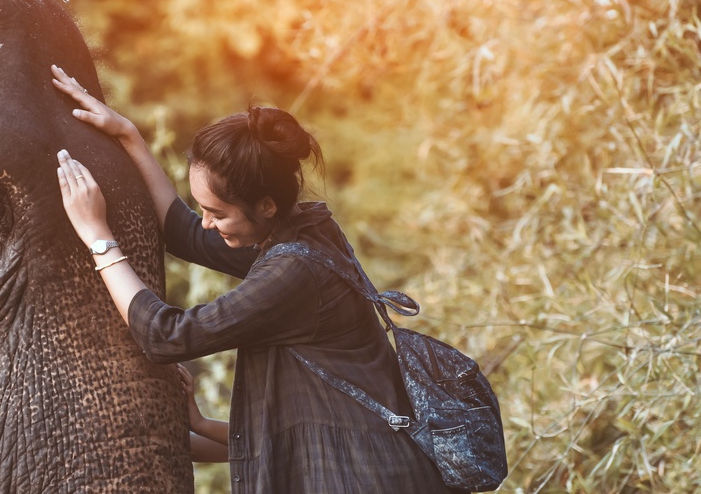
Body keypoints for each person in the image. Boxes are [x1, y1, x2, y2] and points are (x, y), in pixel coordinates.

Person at [50, 64, 461, 493]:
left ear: (265, 205)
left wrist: (97, 237)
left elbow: (168, 336)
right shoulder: (304, 232)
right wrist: (129, 136)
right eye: (205, 209)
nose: (207, 223)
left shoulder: (295, 271)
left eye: (219, 213)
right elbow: (186, 234)